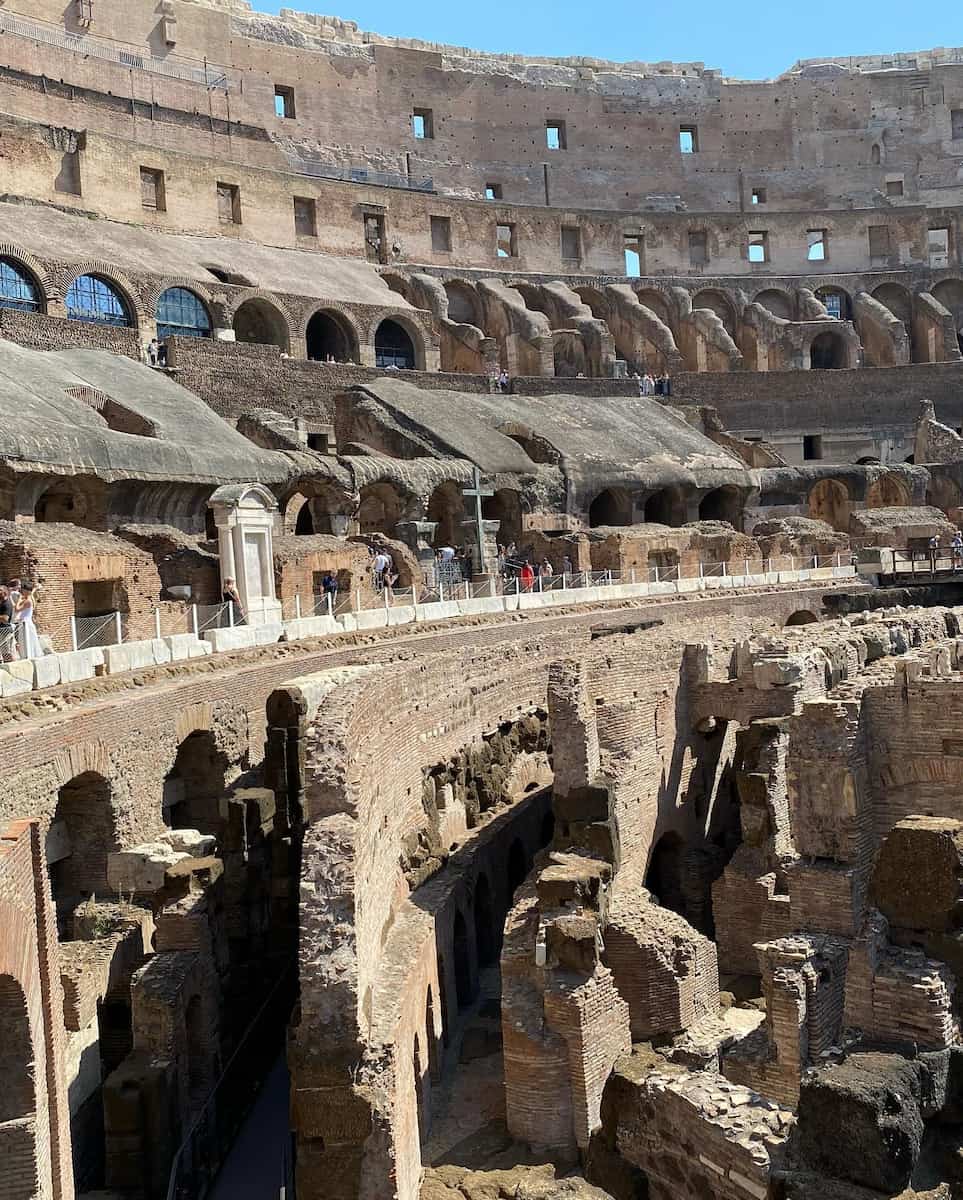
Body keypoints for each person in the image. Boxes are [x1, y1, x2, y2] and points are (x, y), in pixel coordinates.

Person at [14, 581, 42, 660]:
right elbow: (31, 593)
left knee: (26, 641)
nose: (22, 591)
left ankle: (28, 657)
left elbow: (17, 609)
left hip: (26, 624)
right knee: (26, 641)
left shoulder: (28, 601)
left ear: (26, 591)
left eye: (23, 590)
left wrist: (19, 599)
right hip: (25, 623)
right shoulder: (30, 598)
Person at [0, 585, 16, 663]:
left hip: (5, 631)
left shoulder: (7, 604)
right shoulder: (1, 603)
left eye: (0, 590)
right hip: (1, 630)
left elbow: (5, 619)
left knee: (7, 653)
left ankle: (12, 667)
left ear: (5, 592)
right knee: (4, 652)